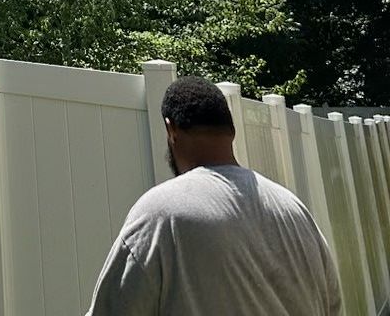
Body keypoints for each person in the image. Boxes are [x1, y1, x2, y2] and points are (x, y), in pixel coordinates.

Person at [85, 75, 342, 316]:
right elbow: (333, 305)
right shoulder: (293, 209)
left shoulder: (161, 214)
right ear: (231, 131)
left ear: (170, 130)